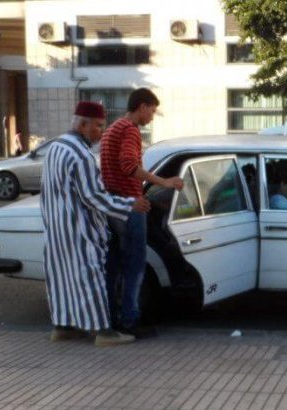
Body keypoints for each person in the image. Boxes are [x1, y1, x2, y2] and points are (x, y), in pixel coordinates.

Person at [40, 101, 151, 347]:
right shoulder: (81, 155)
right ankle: (104, 332)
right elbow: (93, 197)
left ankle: (63, 327)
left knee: (63, 280)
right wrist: (130, 205)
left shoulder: (56, 147)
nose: (101, 132)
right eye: (98, 126)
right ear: (82, 124)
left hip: (57, 229)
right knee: (92, 279)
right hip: (80, 232)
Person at [100, 88, 184, 338]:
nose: (152, 117)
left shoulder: (112, 129)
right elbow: (129, 166)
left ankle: (111, 319)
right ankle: (130, 321)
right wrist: (164, 183)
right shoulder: (129, 130)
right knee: (135, 266)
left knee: (113, 266)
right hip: (129, 206)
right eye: (152, 111)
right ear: (142, 106)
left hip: (112, 205)